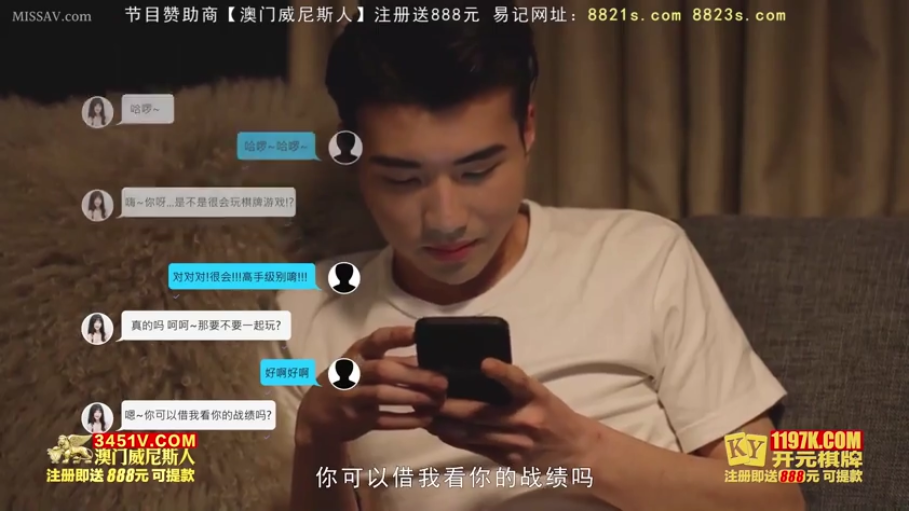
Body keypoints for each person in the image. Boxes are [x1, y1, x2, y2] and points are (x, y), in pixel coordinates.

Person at [270, 2, 805, 511]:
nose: (446, 219)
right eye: (402, 180)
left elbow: (774, 497)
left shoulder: (645, 257)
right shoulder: (307, 311)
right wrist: (318, 437)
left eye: (477, 171)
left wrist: (578, 451)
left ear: (527, 128)